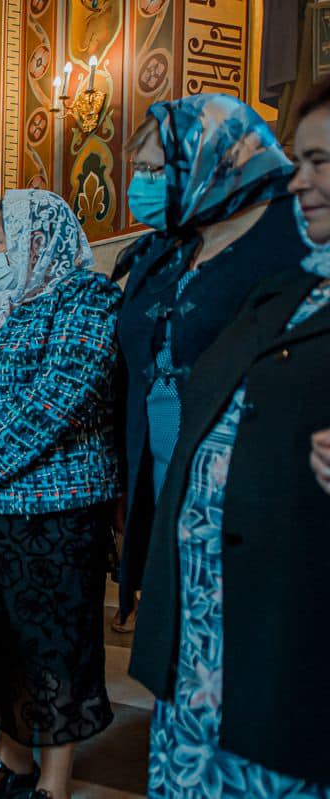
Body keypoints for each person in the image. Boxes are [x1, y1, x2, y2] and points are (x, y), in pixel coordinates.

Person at [130, 79, 330, 797]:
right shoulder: (292, 287)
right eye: (299, 160)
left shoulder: (274, 251)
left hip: (284, 624)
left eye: (319, 162)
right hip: (208, 622)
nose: (297, 180)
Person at [0, 190, 120, 799]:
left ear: (37, 242)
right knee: (5, 638)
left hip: (58, 505)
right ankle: (13, 762)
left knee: (56, 641)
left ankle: (53, 783)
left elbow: (61, 395)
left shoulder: (85, 297)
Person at [113, 93, 306, 633]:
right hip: (162, 475)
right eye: (139, 171)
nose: (142, 185)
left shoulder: (291, 238)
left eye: (156, 170)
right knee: (179, 630)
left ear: (212, 162)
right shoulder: (165, 248)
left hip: (246, 486)